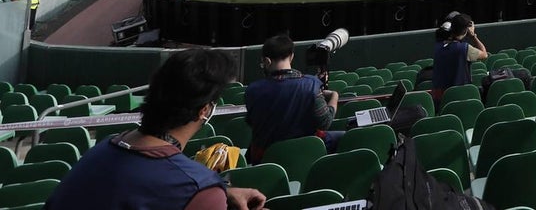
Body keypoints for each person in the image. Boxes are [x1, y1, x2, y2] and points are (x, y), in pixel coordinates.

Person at [46, 49, 266, 210]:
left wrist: (219, 194)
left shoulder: (100, 151)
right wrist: (209, 196)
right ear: (204, 110)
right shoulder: (198, 186)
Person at [244, 35, 342, 164]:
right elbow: (325, 122)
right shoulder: (312, 85)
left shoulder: (252, 91)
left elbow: (252, 122)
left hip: (267, 159)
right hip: (308, 152)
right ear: (291, 56)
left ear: (267, 61)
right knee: (347, 137)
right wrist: (334, 96)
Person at [430, 12, 488, 103]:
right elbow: (484, 54)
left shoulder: (439, 45)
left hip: (441, 99)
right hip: (462, 97)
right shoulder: (464, 48)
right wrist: (473, 37)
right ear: (466, 30)